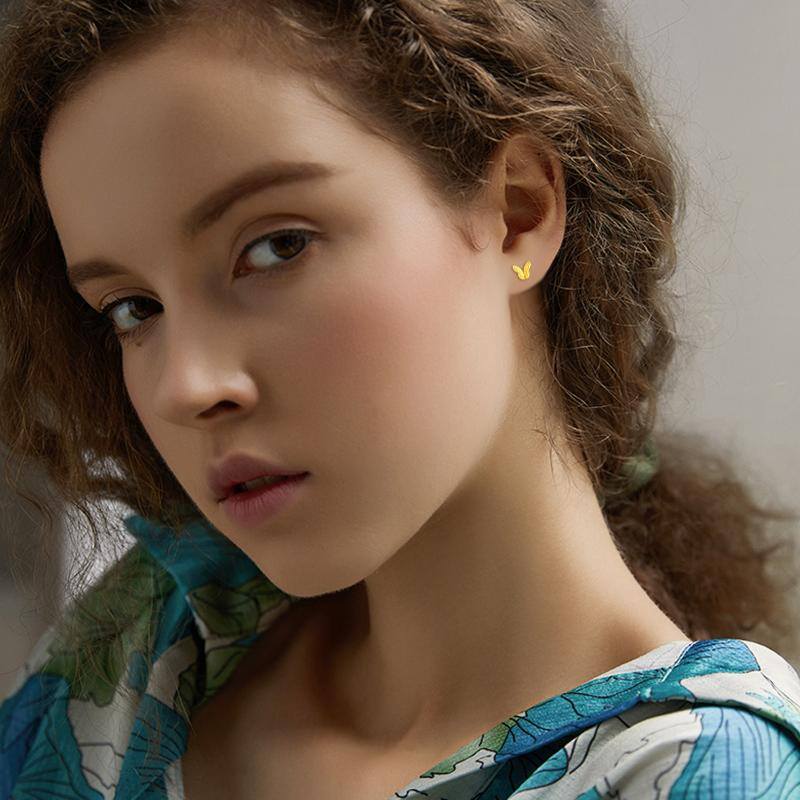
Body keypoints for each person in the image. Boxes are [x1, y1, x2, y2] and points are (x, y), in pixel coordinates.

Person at [1, 1, 799, 798]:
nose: (186, 386)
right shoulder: (156, 635)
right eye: (133, 309)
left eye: (277, 247)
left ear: (518, 212)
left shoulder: (704, 772)